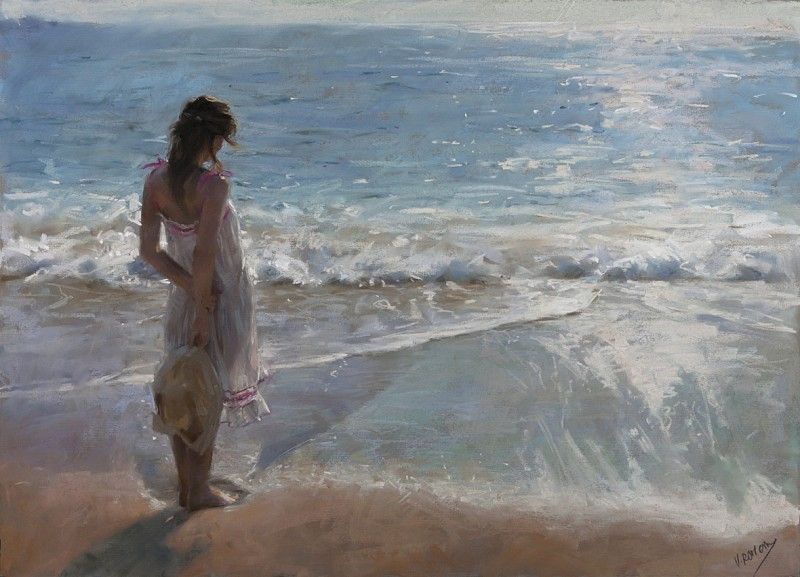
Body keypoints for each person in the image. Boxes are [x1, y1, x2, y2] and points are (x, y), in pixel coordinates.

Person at [139, 95, 271, 511]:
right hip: (218, 301)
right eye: (222, 140)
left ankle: (188, 487)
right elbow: (205, 254)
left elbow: (150, 252)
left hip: (185, 298)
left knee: (185, 389)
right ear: (213, 140)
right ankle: (198, 491)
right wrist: (204, 307)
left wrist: (188, 291)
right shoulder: (214, 186)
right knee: (205, 393)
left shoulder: (155, 182)